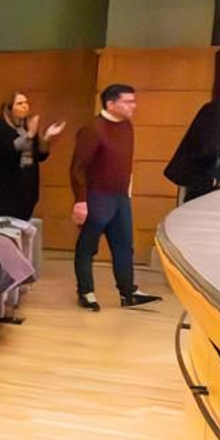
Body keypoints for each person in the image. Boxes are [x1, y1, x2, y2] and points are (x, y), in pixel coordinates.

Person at [71, 84, 161, 311]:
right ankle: (86, 291)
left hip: (120, 197)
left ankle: (128, 292)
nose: (134, 105)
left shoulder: (127, 126)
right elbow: (77, 168)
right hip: (96, 196)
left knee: (124, 245)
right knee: (88, 247)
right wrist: (81, 200)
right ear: (111, 104)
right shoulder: (93, 129)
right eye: (128, 101)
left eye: (134, 101)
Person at [0, 92, 65, 221]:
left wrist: (47, 137)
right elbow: (8, 152)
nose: (25, 106)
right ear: (8, 109)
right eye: (20, 103)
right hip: (2, 192)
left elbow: (39, 156)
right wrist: (29, 134)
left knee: (21, 230)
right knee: (2, 231)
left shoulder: (27, 127)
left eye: (26, 103)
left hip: (26, 191)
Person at [165, 94, 220, 202]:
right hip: (211, 191)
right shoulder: (218, 111)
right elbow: (208, 150)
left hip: (203, 189)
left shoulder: (214, 110)